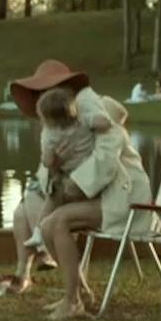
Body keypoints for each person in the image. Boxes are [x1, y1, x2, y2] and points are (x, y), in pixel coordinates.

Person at [9, 60, 153, 319]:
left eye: (44, 91)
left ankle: (72, 301)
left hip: (125, 198)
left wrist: (74, 185)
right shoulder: (57, 126)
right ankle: (80, 293)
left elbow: (107, 157)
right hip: (101, 198)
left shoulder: (95, 111)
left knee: (59, 221)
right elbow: (48, 175)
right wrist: (54, 166)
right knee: (49, 225)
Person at [23, 86, 110, 251]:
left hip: (70, 175)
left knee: (52, 197)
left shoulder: (50, 134)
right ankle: (43, 233)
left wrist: (50, 158)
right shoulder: (83, 120)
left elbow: (48, 161)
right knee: (57, 196)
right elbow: (104, 123)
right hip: (87, 173)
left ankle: (39, 231)